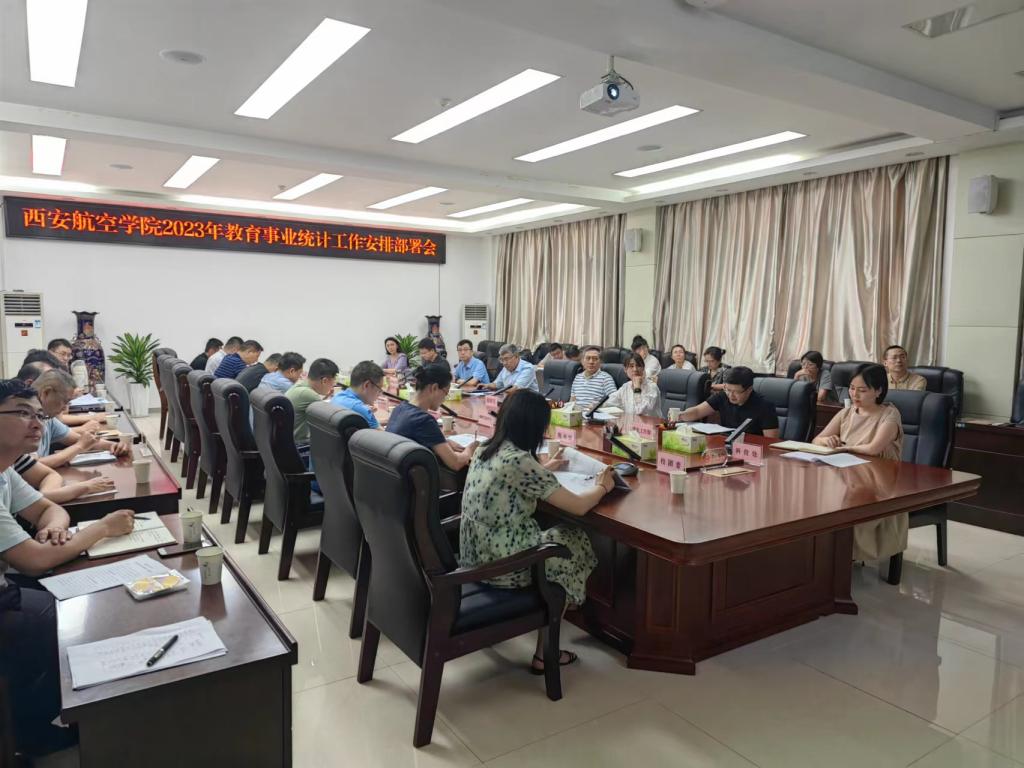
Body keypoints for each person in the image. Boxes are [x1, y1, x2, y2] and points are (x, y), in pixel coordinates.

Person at [0, 378, 134, 758]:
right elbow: (34, 560)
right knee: (60, 620)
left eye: (37, 415)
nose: (36, 424)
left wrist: (54, 529)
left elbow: (49, 508)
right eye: (22, 413)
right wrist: (102, 528)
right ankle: (28, 732)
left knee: (74, 591)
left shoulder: (5, 469)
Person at [459, 389, 614, 672]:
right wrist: (603, 486)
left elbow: (519, 477)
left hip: (474, 554)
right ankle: (547, 650)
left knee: (554, 530)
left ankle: (566, 601)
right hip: (502, 566)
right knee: (571, 539)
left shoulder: (486, 448)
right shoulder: (519, 461)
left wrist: (545, 467)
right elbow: (579, 506)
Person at [813, 363, 905, 561]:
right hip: (850, 476)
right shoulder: (847, 413)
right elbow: (816, 440)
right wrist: (827, 441)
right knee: (818, 506)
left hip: (880, 484)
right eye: (852, 388)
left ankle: (840, 560)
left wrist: (844, 448)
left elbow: (873, 449)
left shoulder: (890, 414)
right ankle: (823, 560)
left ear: (878, 391)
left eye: (862, 390)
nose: (855, 394)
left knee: (843, 512)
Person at [387, 364, 477, 471]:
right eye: (446, 393)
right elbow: (455, 463)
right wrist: (471, 448)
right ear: (434, 388)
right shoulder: (423, 420)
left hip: (394, 474)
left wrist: (443, 441)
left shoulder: (399, 408)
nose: (445, 399)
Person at [33, 369, 129, 467]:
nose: (65, 408)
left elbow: (83, 440)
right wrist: (79, 446)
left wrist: (113, 445)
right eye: (64, 401)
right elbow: (32, 465)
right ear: (46, 393)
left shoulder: (48, 419)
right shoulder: (25, 422)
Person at [677, 366, 780, 437]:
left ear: (749, 389)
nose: (731, 395)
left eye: (736, 392)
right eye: (728, 390)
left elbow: (770, 442)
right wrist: (678, 416)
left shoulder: (765, 406)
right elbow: (697, 411)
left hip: (751, 451)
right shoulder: (722, 396)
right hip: (726, 447)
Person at [286, 358, 339, 444]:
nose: (333, 385)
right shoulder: (308, 394)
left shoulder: (301, 384)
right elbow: (329, 419)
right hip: (299, 444)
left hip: (288, 440)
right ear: (324, 381)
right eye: (333, 382)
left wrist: (325, 397)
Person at [331, 361, 386, 429]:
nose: (380, 394)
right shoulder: (361, 409)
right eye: (379, 388)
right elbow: (383, 434)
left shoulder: (337, 396)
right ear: (367, 385)